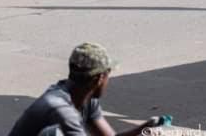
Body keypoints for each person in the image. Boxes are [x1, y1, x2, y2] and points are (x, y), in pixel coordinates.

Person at [9, 42, 164, 136]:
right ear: (99, 78)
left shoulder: (85, 99)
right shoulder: (61, 110)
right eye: (108, 75)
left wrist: (144, 129)